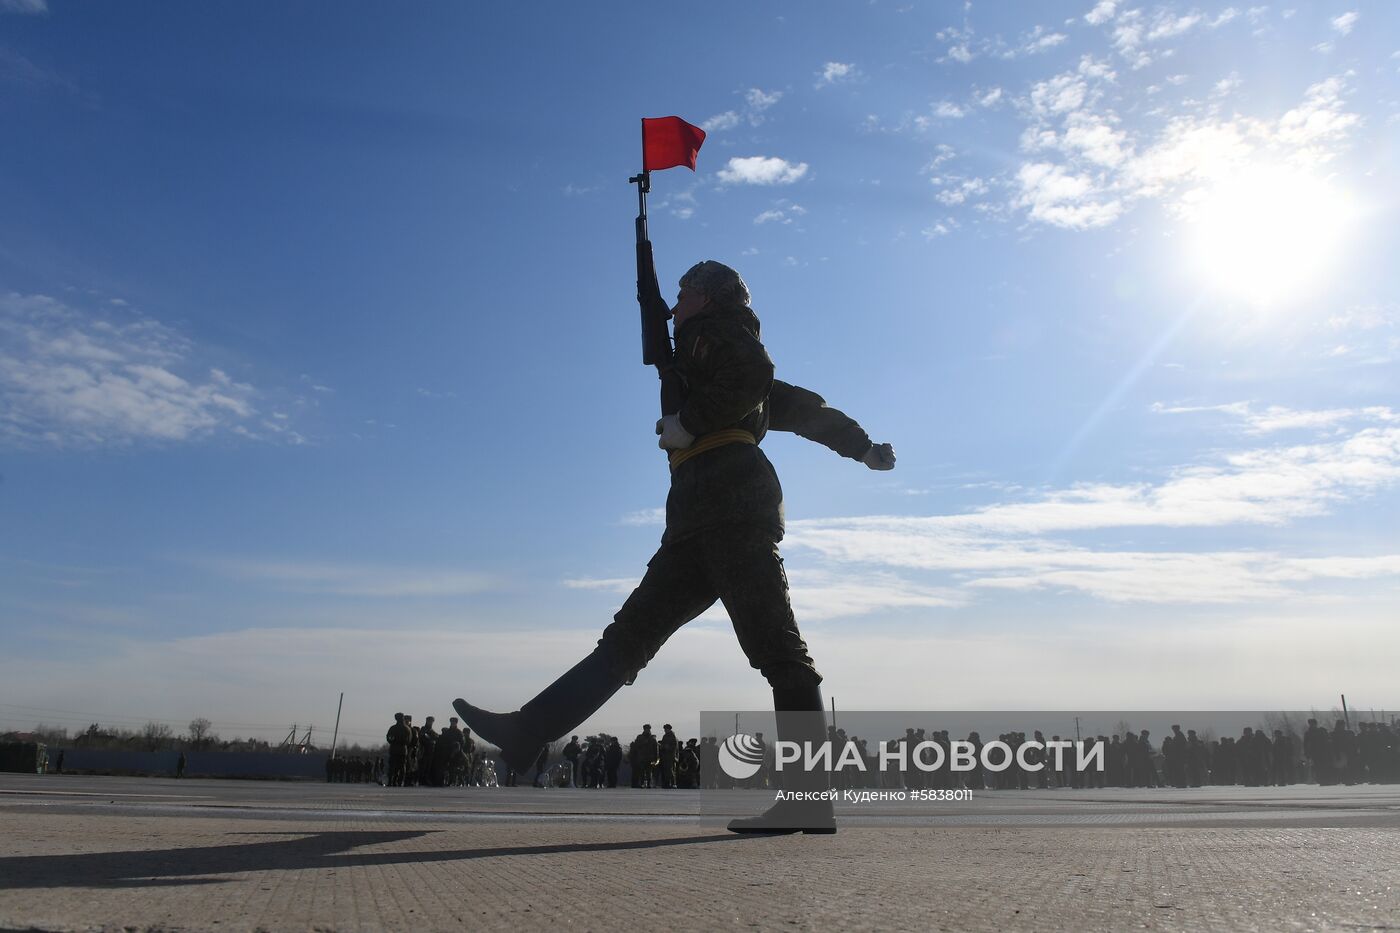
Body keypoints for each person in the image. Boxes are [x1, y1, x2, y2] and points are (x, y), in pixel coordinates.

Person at [454, 259, 895, 834]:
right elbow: (807, 410)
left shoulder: (713, 336)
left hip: (730, 506)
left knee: (775, 648)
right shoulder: (706, 352)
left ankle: (808, 799)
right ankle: (529, 730)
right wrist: (862, 448)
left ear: (709, 300)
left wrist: (690, 419)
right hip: (699, 513)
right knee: (631, 638)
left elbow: (754, 371)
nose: (674, 305)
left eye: (684, 294)